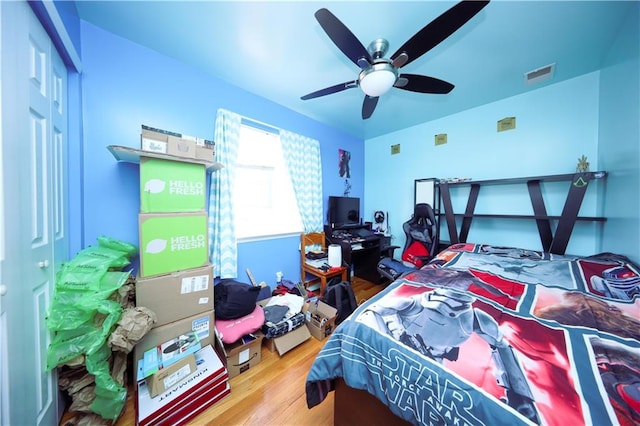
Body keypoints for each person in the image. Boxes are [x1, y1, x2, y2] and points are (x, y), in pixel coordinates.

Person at [362, 287, 540, 423]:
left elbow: (501, 344)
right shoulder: (414, 305)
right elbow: (371, 312)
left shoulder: (475, 319)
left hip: (434, 367)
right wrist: (388, 341)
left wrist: (521, 396)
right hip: (403, 353)